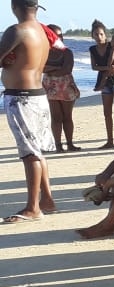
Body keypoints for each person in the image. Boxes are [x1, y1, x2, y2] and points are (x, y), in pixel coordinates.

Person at [0, 0, 56, 223]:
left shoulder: (17, 30)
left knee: (30, 152)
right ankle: (47, 200)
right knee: (37, 150)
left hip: (22, 97)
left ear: (14, 7)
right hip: (38, 95)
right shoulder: (42, 31)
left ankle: (33, 208)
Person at [90, 20, 114, 149]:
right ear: (92, 36)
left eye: (101, 34)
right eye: (96, 34)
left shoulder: (113, 45)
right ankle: (110, 141)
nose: (99, 37)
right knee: (107, 113)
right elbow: (93, 67)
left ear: (105, 35)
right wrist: (106, 68)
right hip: (104, 81)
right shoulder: (92, 49)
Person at [42, 24, 80, 152]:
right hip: (50, 88)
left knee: (67, 116)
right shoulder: (43, 52)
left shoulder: (67, 52)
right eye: (55, 35)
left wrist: (51, 70)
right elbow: (41, 69)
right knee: (56, 117)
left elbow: (66, 70)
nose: (59, 38)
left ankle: (70, 143)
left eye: (60, 35)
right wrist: (57, 69)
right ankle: (58, 145)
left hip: (66, 87)